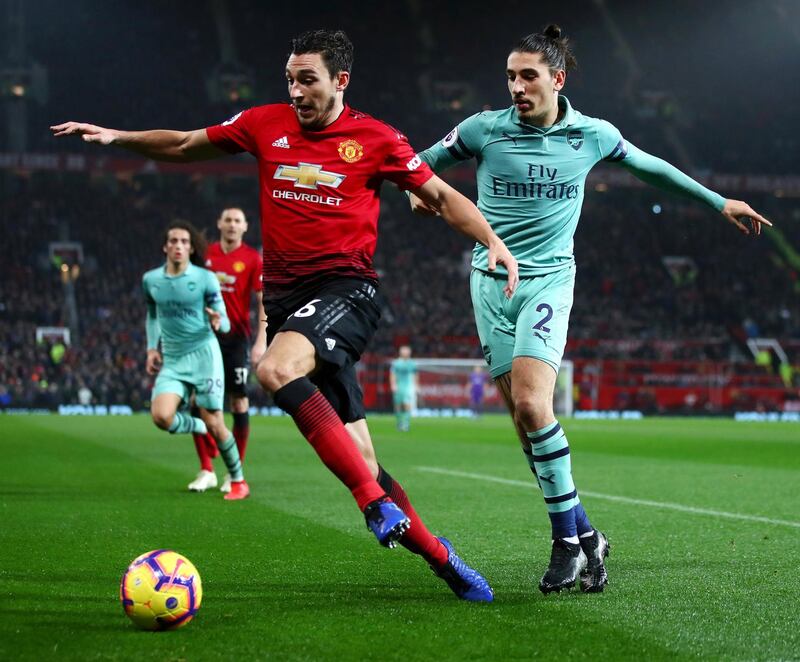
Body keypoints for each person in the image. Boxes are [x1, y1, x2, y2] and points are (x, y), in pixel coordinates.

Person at [52, 29, 519, 601]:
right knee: (364, 460)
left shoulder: (375, 139)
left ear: (340, 81)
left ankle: (372, 506)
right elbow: (181, 145)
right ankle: (445, 561)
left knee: (275, 371)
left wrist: (491, 239)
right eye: (290, 80)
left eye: (308, 80)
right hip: (289, 303)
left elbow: (443, 198)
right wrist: (118, 137)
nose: (295, 91)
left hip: (347, 291)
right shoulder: (263, 123)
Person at [409, 24, 771, 594]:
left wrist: (716, 200)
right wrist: (419, 191)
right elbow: (417, 163)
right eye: (510, 76)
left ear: (558, 78)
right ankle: (588, 536)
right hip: (488, 284)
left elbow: (652, 167)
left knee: (533, 402)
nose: (516, 87)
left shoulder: (593, 135)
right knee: (527, 428)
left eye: (528, 76)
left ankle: (564, 547)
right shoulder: (483, 129)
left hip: (549, 282)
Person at [143, 221, 250, 501]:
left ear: (191, 248)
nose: (178, 246)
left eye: (184, 242)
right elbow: (153, 315)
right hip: (174, 359)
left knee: (216, 421)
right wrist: (152, 349)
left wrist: (218, 321)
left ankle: (238, 480)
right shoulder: (151, 280)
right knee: (161, 416)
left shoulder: (205, 279)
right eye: (173, 241)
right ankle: (202, 427)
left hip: (205, 356)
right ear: (165, 246)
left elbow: (224, 322)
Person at [188, 207, 266, 494]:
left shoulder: (251, 258)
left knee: (238, 403)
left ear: (245, 227)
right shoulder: (204, 256)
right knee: (197, 400)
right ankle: (206, 469)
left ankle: (235, 472)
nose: (232, 225)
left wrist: (261, 341)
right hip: (203, 338)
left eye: (237, 221)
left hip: (236, 339)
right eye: (228, 220)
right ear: (219, 223)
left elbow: (262, 301)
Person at [389, 345, 417, 431]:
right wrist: (393, 385)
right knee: (398, 405)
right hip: (399, 386)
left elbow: (415, 375)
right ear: (401, 352)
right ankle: (399, 422)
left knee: (407, 404)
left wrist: (415, 385)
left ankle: (406, 423)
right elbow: (392, 375)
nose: (406, 353)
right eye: (404, 351)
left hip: (408, 387)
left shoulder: (412, 363)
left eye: (407, 351)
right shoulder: (396, 363)